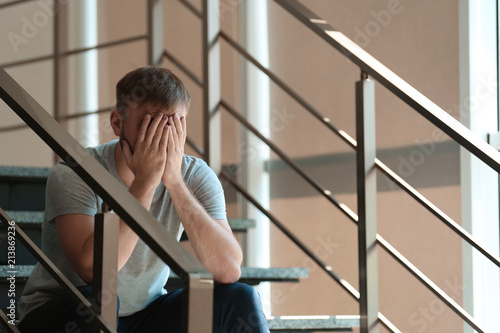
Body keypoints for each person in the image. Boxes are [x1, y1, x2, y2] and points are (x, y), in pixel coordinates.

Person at [17, 66, 269, 332]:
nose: (162, 140)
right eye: (151, 125)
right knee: (97, 299)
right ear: (117, 123)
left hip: (145, 313)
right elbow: (94, 271)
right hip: (66, 312)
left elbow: (227, 270)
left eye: (172, 126)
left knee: (240, 297)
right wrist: (145, 183)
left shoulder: (195, 175)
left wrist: (174, 181)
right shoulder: (74, 173)